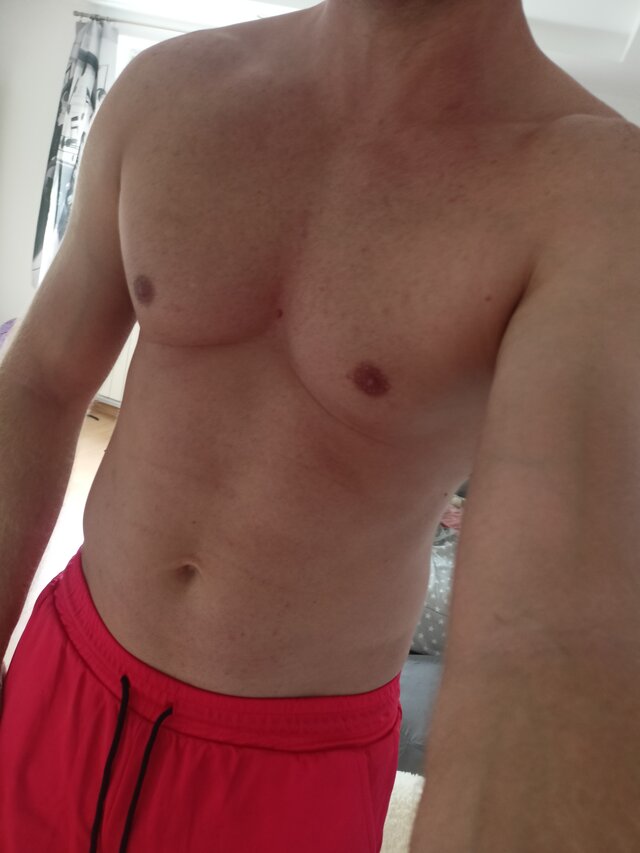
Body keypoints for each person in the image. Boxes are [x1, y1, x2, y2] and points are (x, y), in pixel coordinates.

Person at [1, 1, 638, 851]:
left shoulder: (599, 198)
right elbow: (39, 382)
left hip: (291, 770)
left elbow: (553, 651)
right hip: (68, 669)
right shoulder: (168, 90)